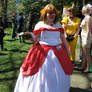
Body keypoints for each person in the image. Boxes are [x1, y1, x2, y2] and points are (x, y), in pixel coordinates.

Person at [14, 4, 73, 92]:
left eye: (53, 13)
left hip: (58, 52)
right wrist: (29, 35)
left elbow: (63, 39)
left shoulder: (58, 24)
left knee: (59, 72)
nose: (52, 15)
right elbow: (36, 39)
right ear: (45, 14)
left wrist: (68, 52)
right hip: (42, 52)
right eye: (49, 13)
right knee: (42, 73)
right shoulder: (40, 24)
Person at [80, 5, 92, 73]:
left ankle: (88, 68)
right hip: (83, 36)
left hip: (86, 37)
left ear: (84, 10)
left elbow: (88, 29)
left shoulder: (88, 18)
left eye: (82, 10)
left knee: (87, 53)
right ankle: (83, 66)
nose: (81, 11)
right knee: (84, 53)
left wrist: (86, 40)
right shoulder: (85, 17)